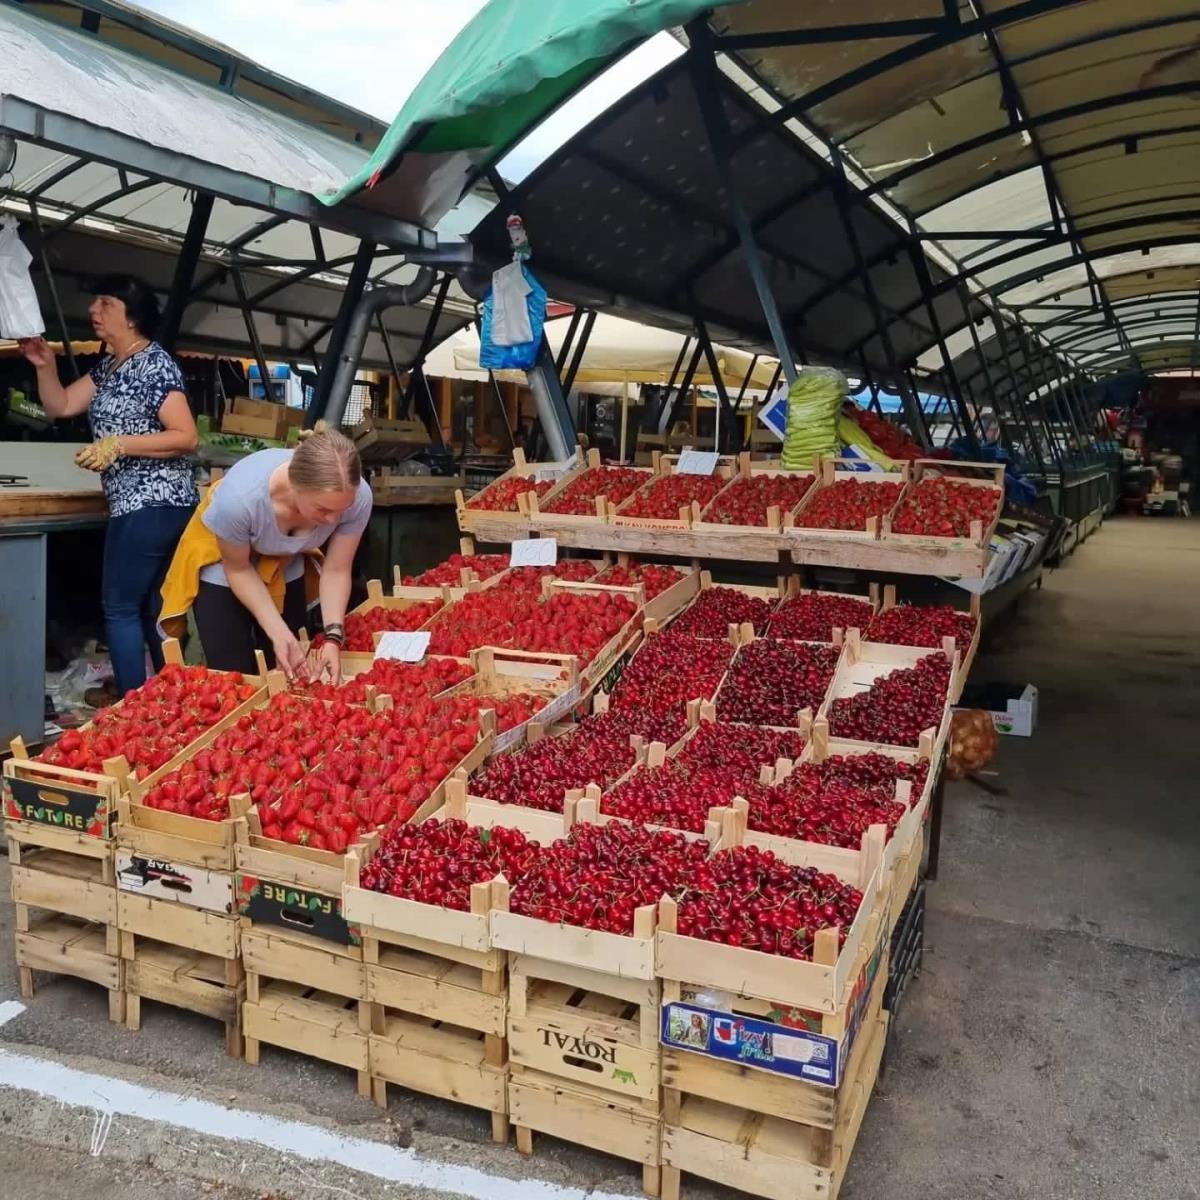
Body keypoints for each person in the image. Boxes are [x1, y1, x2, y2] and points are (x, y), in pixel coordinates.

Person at [20, 275, 199, 697]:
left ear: (132, 316)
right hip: (139, 505)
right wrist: (45, 365)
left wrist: (119, 444)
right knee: (154, 607)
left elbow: (186, 436)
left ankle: (134, 707)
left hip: (153, 502)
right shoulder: (110, 366)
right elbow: (60, 405)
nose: (93, 311)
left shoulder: (154, 364)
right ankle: (168, 700)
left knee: (120, 607)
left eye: (105, 303)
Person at [164, 423, 371, 684]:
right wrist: (278, 632)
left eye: (343, 509)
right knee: (234, 676)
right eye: (323, 510)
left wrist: (333, 637)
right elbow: (238, 569)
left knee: (292, 671)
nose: (334, 520)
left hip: (284, 561)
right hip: (225, 563)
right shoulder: (238, 501)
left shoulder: (355, 496)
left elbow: (337, 569)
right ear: (296, 487)